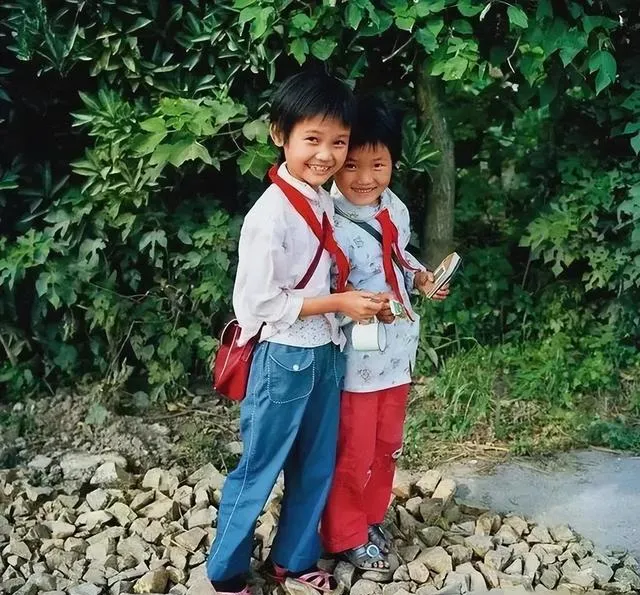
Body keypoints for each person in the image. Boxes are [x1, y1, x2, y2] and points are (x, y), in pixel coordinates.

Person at [206, 71, 383, 595]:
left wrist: (357, 303)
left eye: (338, 142)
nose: (326, 155)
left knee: (316, 464)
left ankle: (295, 559)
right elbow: (257, 304)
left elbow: (320, 280)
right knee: (260, 466)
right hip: (283, 357)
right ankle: (226, 573)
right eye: (312, 139)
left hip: (325, 351)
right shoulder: (270, 214)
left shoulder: (320, 197)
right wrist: (340, 303)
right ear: (279, 134)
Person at [320, 94, 450, 570]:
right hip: (355, 358)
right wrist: (362, 306)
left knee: (386, 443)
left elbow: (398, 255)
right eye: (352, 165)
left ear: (394, 162)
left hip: (397, 353)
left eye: (378, 165)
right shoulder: (327, 219)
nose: (365, 178)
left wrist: (420, 277)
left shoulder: (393, 207)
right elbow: (322, 290)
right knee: (353, 449)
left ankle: (371, 516)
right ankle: (344, 532)